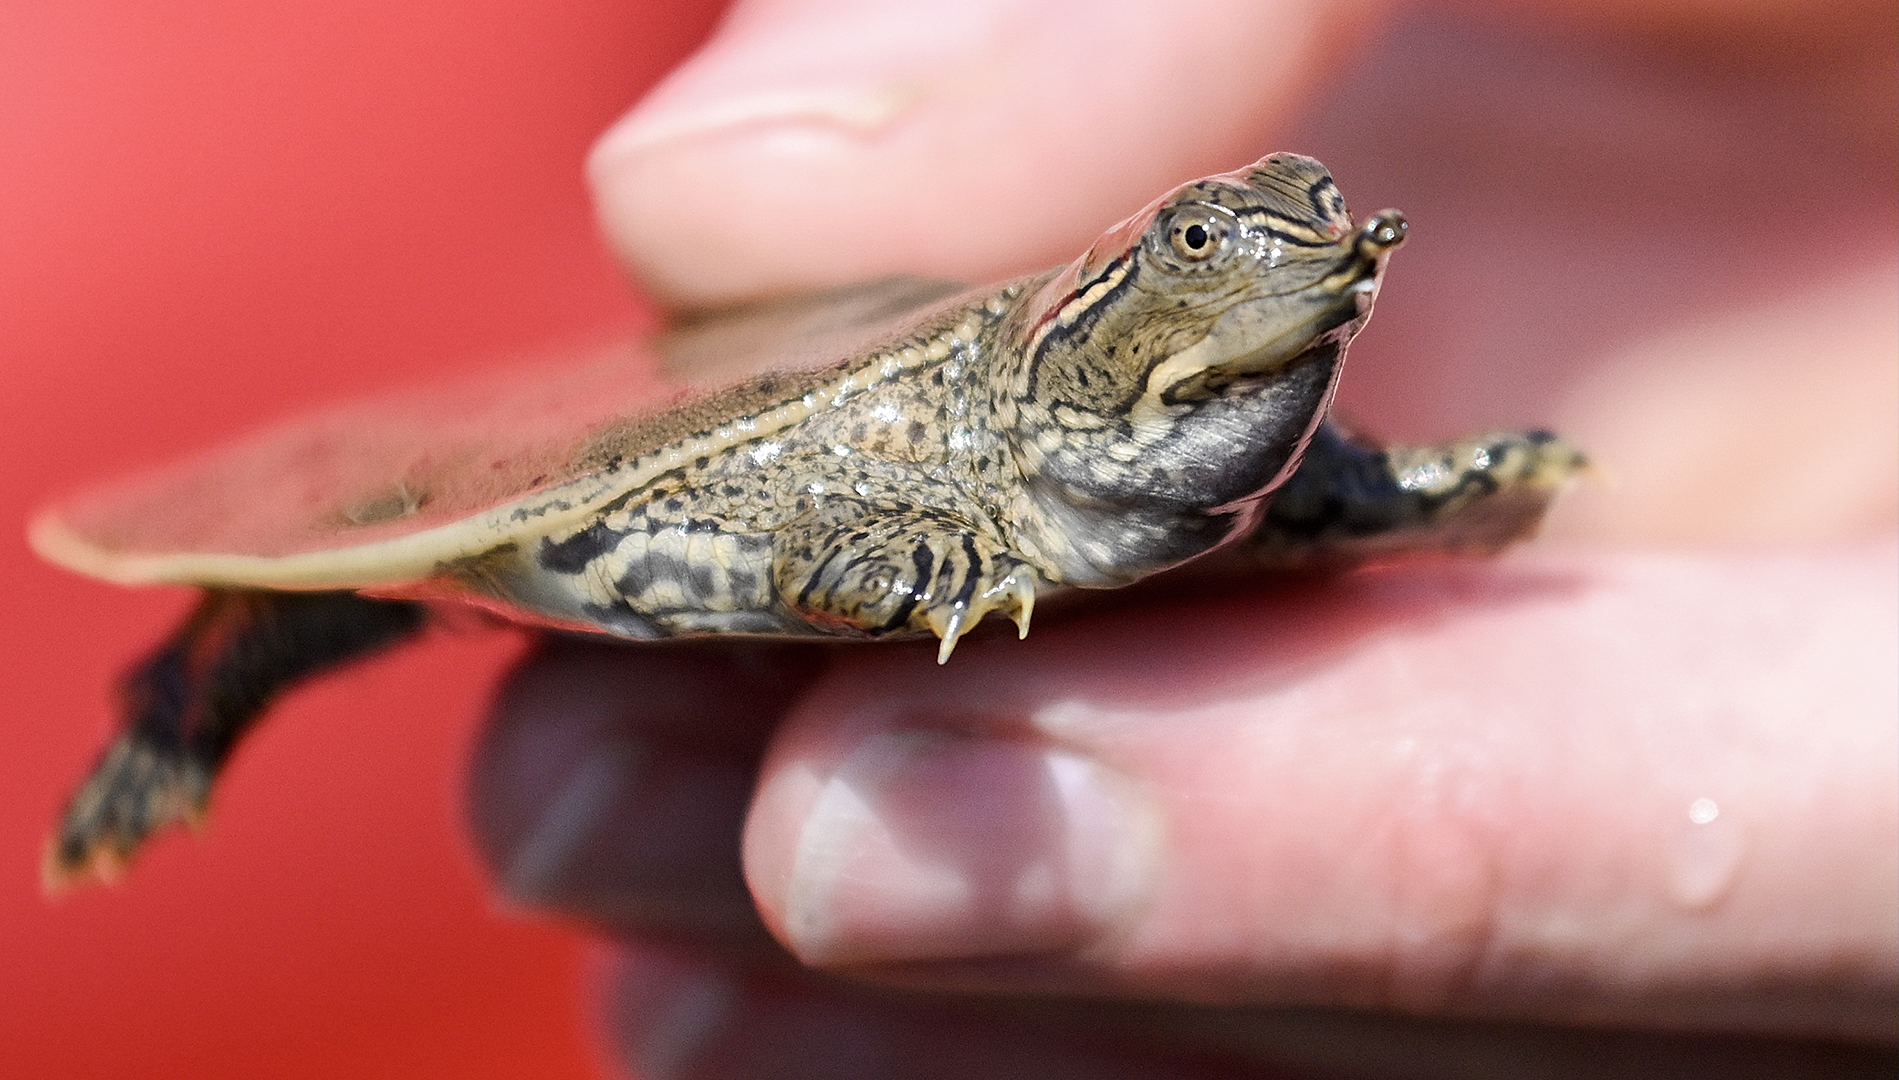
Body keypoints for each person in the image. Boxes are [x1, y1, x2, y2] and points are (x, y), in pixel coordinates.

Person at [465, 0, 1898, 1075]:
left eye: (1309, 233)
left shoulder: (1292, 473)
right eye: (1204, 249)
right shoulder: (962, 459)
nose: (1276, 261)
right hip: (673, 461)